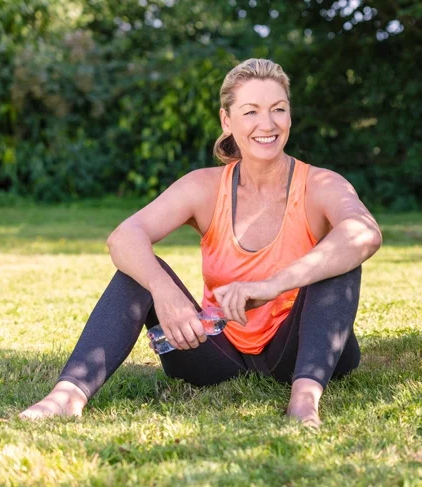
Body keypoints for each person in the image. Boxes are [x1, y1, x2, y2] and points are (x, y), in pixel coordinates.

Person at [19, 58, 382, 426]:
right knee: (139, 272)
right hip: (214, 352)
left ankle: (304, 401)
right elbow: (124, 237)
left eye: (278, 110)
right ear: (227, 120)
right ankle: (67, 395)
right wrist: (166, 293)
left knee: (339, 262)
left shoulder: (320, 184)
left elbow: (365, 233)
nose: (267, 124)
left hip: (303, 350)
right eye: (251, 111)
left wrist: (273, 285)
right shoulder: (205, 187)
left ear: (289, 115)